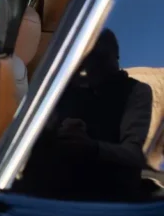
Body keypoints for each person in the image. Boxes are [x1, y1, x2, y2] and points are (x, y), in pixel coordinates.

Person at [16, 28, 153, 201]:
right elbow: (31, 141)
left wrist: (93, 147)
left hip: (107, 195)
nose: (93, 64)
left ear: (115, 58)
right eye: (88, 56)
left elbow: (134, 154)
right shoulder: (62, 89)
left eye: (100, 57)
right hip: (51, 190)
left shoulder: (135, 92)